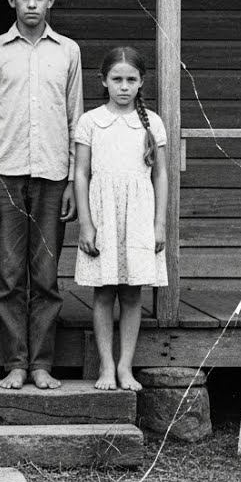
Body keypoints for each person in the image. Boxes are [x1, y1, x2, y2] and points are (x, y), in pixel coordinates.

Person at [0, 0, 84, 391]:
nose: (32, 4)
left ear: (51, 1)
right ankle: (15, 363)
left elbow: (76, 120)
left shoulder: (67, 51)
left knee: (47, 276)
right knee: (10, 274)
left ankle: (41, 365)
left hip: (54, 175)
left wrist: (74, 180)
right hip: (6, 174)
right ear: (11, 1)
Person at [74, 46, 169, 391]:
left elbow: (160, 175)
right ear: (104, 81)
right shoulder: (91, 121)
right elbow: (81, 174)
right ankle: (106, 366)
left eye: (131, 80)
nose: (124, 87)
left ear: (142, 82)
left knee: (131, 293)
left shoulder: (151, 122)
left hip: (139, 216)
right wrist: (86, 223)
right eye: (117, 79)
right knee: (103, 292)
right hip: (103, 215)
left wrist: (159, 223)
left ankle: (126, 366)